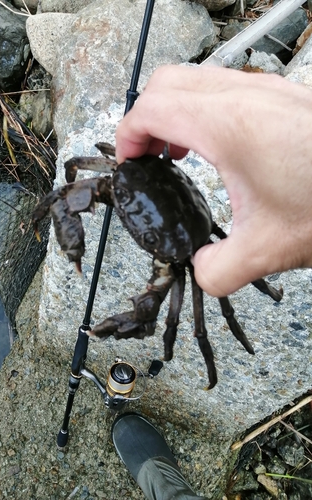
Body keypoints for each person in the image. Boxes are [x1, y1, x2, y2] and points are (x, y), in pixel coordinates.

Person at [112, 65, 312, 500]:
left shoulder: (192, 257)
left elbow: (191, 322)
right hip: (161, 195)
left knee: (193, 321)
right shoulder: (125, 168)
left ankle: (163, 483)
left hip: (192, 240)